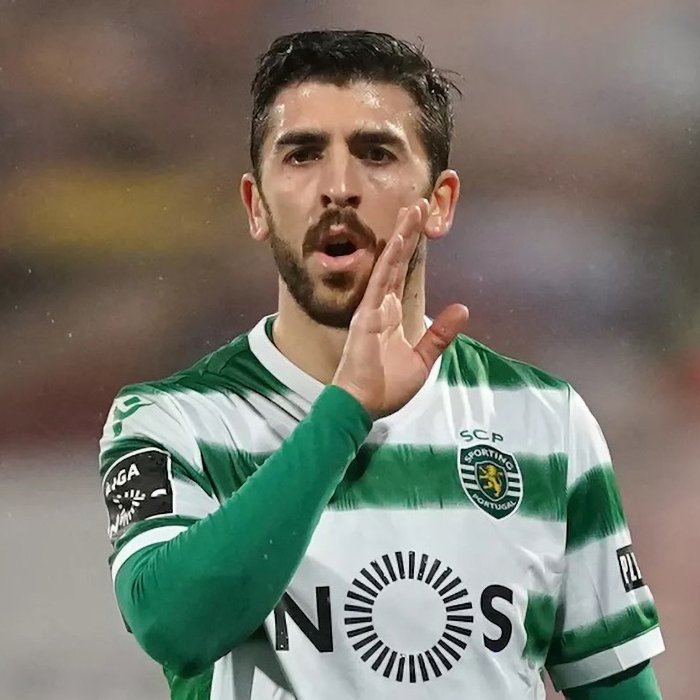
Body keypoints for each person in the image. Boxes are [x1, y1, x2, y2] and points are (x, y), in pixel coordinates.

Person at [98, 29, 664, 700]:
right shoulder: (173, 419)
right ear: (256, 206)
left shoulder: (545, 421)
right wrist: (344, 412)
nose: (339, 187)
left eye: (376, 153)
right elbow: (175, 626)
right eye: (302, 155)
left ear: (441, 203)